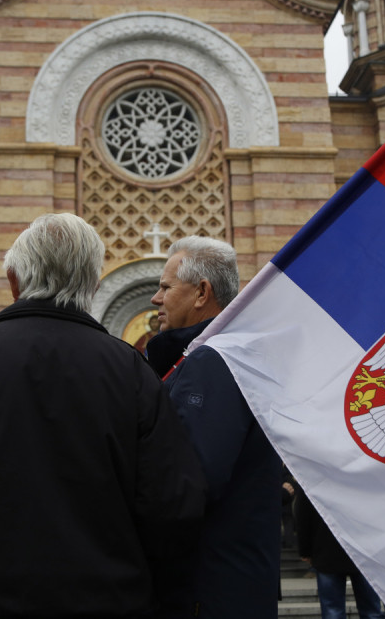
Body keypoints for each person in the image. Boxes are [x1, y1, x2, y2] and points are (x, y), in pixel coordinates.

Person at [0, 213, 207, 618]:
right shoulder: (133, 372)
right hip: (106, 600)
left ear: (14, 281)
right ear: (93, 287)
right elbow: (173, 506)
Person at [146, 235, 283, 618]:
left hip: (208, 589)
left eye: (166, 287)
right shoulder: (235, 355)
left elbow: (190, 481)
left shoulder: (212, 362)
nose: (156, 298)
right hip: (231, 584)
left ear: (202, 292)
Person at [294, 485, 385, 619]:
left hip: (326, 548)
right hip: (364, 548)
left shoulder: (314, 477)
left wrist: (305, 550)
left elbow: (302, 512)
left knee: (333, 612)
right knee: (372, 611)